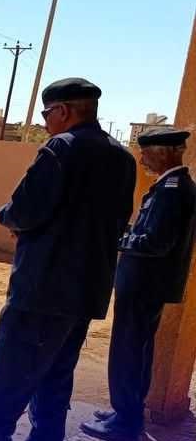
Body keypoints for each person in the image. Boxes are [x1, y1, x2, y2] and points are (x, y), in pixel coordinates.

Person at [0, 78, 137, 441]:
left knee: (7, 378)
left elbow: (23, 210)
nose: (45, 122)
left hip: (42, 289)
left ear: (63, 111)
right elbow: (117, 219)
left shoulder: (61, 148)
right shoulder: (123, 157)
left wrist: (8, 219)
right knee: (56, 377)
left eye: (46, 114)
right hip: (87, 292)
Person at [80, 128, 196, 441]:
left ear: (165, 152)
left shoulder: (172, 190)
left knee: (128, 353)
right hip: (148, 286)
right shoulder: (175, 186)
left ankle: (125, 422)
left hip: (144, 285)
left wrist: (118, 239)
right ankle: (126, 411)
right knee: (137, 351)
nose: (142, 160)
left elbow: (156, 242)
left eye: (146, 153)